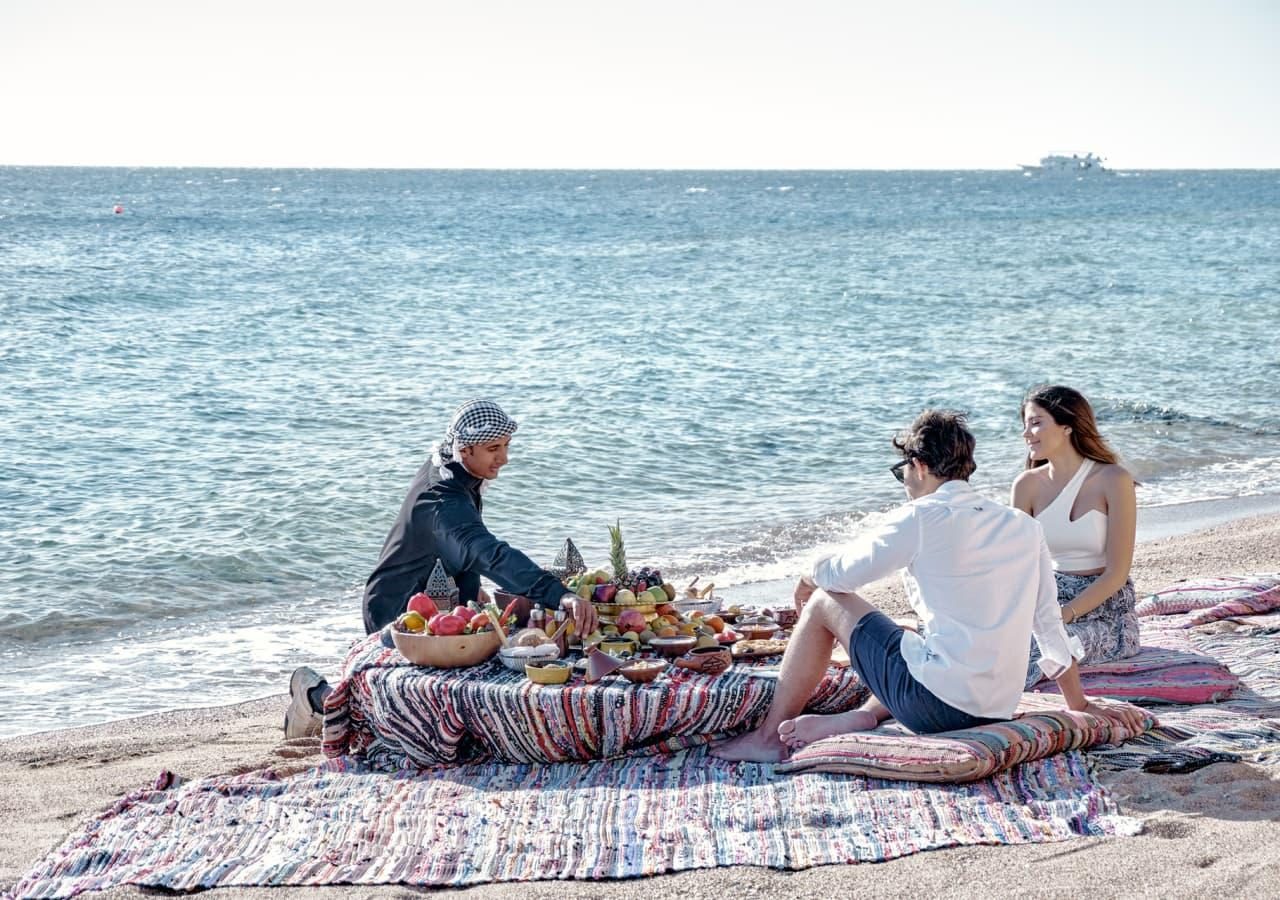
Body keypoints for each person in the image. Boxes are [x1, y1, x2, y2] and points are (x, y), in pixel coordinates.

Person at [713, 410, 1148, 763]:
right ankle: (863, 717)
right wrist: (1079, 703)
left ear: (919, 466)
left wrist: (809, 576)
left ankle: (768, 737)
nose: (903, 480)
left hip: (934, 710)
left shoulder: (921, 517)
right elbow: (1048, 622)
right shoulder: (1020, 526)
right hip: (995, 707)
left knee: (827, 601)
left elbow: (842, 576)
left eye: (902, 469)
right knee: (910, 631)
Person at [284, 399, 598, 738]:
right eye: (493, 448)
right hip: (399, 613)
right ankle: (316, 697)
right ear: (464, 448)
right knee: (402, 718)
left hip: (445, 609)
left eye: (507, 446)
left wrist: (472, 589)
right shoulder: (443, 500)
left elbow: (456, 549)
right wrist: (559, 595)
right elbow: (489, 553)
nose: (504, 459)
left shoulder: (452, 466)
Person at [1012, 385, 1140, 689]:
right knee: (982, 640)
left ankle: (973, 704)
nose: (1026, 433)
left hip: (1105, 610)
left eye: (1036, 422)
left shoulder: (1113, 479)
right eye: (1025, 424)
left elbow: (1117, 573)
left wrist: (1063, 615)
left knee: (1042, 650)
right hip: (1048, 597)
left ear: (1067, 426)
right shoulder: (1026, 485)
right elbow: (1019, 564)